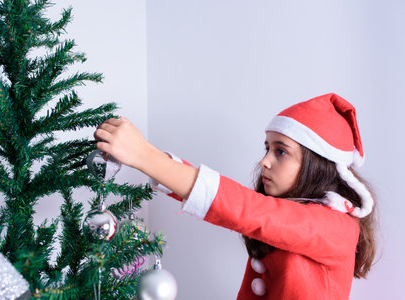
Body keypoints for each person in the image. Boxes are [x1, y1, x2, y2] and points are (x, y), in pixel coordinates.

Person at [94, 93, 377, 299]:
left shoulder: (336, 227)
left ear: (319, 163)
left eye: (280, 151)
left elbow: (248, 210)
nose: (265, 161)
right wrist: (149, 155)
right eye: (266, 148)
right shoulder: (297, 211)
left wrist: (144, 156)